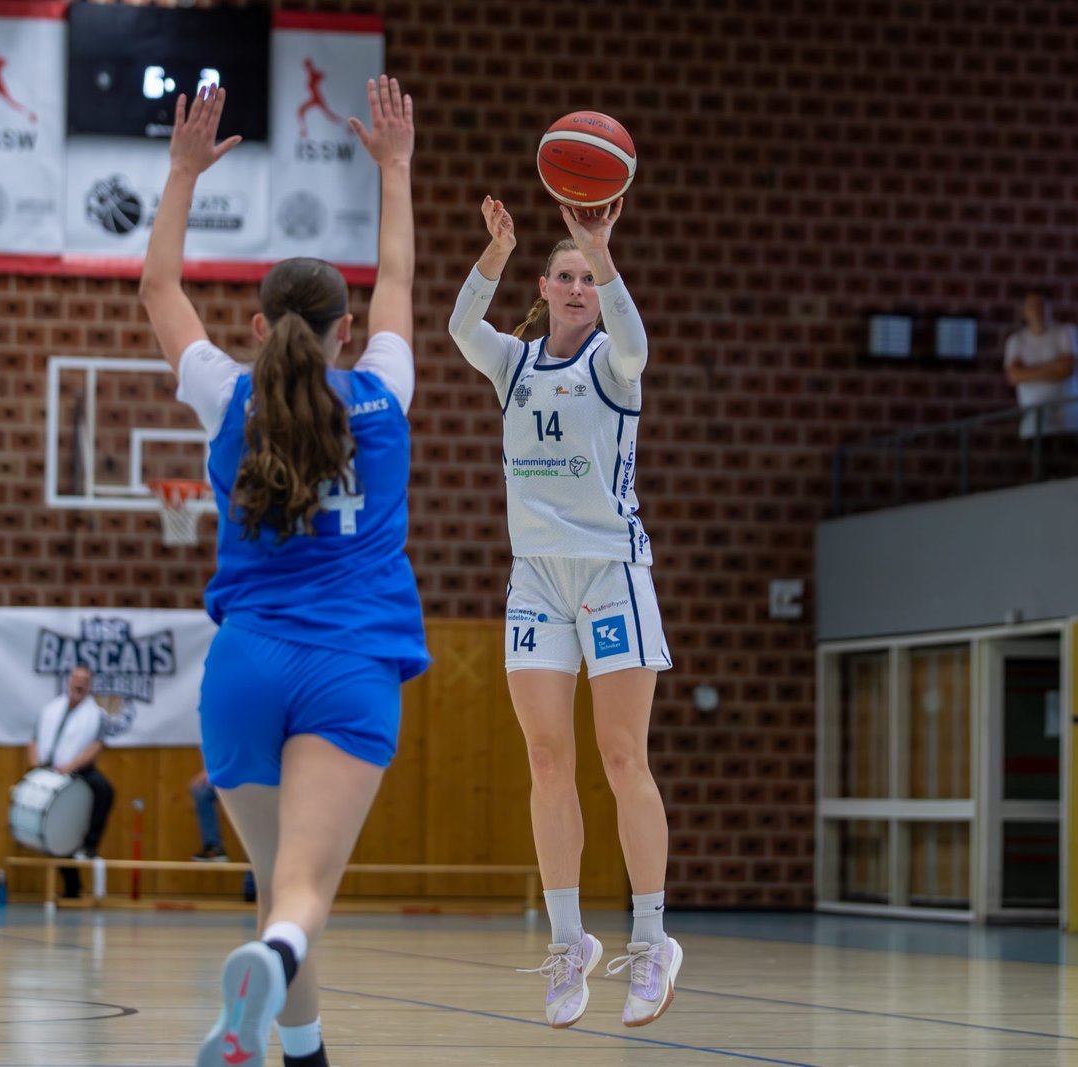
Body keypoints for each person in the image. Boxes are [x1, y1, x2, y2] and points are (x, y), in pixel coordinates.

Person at [140, 77, 424, 1067]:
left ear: (259, 330)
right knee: (301, 893)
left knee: (277, 881)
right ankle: (270, 966)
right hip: (349, 664)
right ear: (347, 331)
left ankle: (294, 1050)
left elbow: (159, 291)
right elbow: (399, 276)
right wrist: (395, 168)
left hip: (243, 666)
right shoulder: (384, 390)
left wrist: (182, 173)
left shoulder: (227, 397)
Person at [447, 195, 681, 1029]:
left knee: (621, 757)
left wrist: (601, 246)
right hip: (538, 580)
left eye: (588, 277)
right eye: (567, 276)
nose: (579, 286)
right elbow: (460, 327)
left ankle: (650, 939)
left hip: (612, 572)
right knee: (547, 759)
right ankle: (568, 938)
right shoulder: (513, 363)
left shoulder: (615, 362)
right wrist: (497, 249)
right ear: (544, 288)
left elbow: (637, 339)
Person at [28, 664, 131, 898]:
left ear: (89, 685)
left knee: (104, 790)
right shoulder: (51, 709)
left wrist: (70, 767)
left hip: (78, 770)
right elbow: (34, 741)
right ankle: (72, 886)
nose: (80, 683)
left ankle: (90, 844)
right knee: (54, 827)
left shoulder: (95, 715)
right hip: (48, 770)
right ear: (69, 681)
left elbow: (96, 746)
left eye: (85, 680)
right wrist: (36, 770)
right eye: (77, 678)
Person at [1004, 288, 1078, 442]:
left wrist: (1027, 371)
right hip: (1033, 423)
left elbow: (1066, 369)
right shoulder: (1016, 341)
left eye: (1041, 305)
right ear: (1024, 310)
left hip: (1067, 420)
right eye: (1032, 306)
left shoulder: (1065, 332)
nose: (1037, 310)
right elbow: (1014, 376)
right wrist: (1054, 365)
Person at [190, 768, 258, 902]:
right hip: (237, 772)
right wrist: (211, 771)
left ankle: (252, 886)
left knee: (255, 826)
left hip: (261, 776)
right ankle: (214, 848)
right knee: (201, 790)